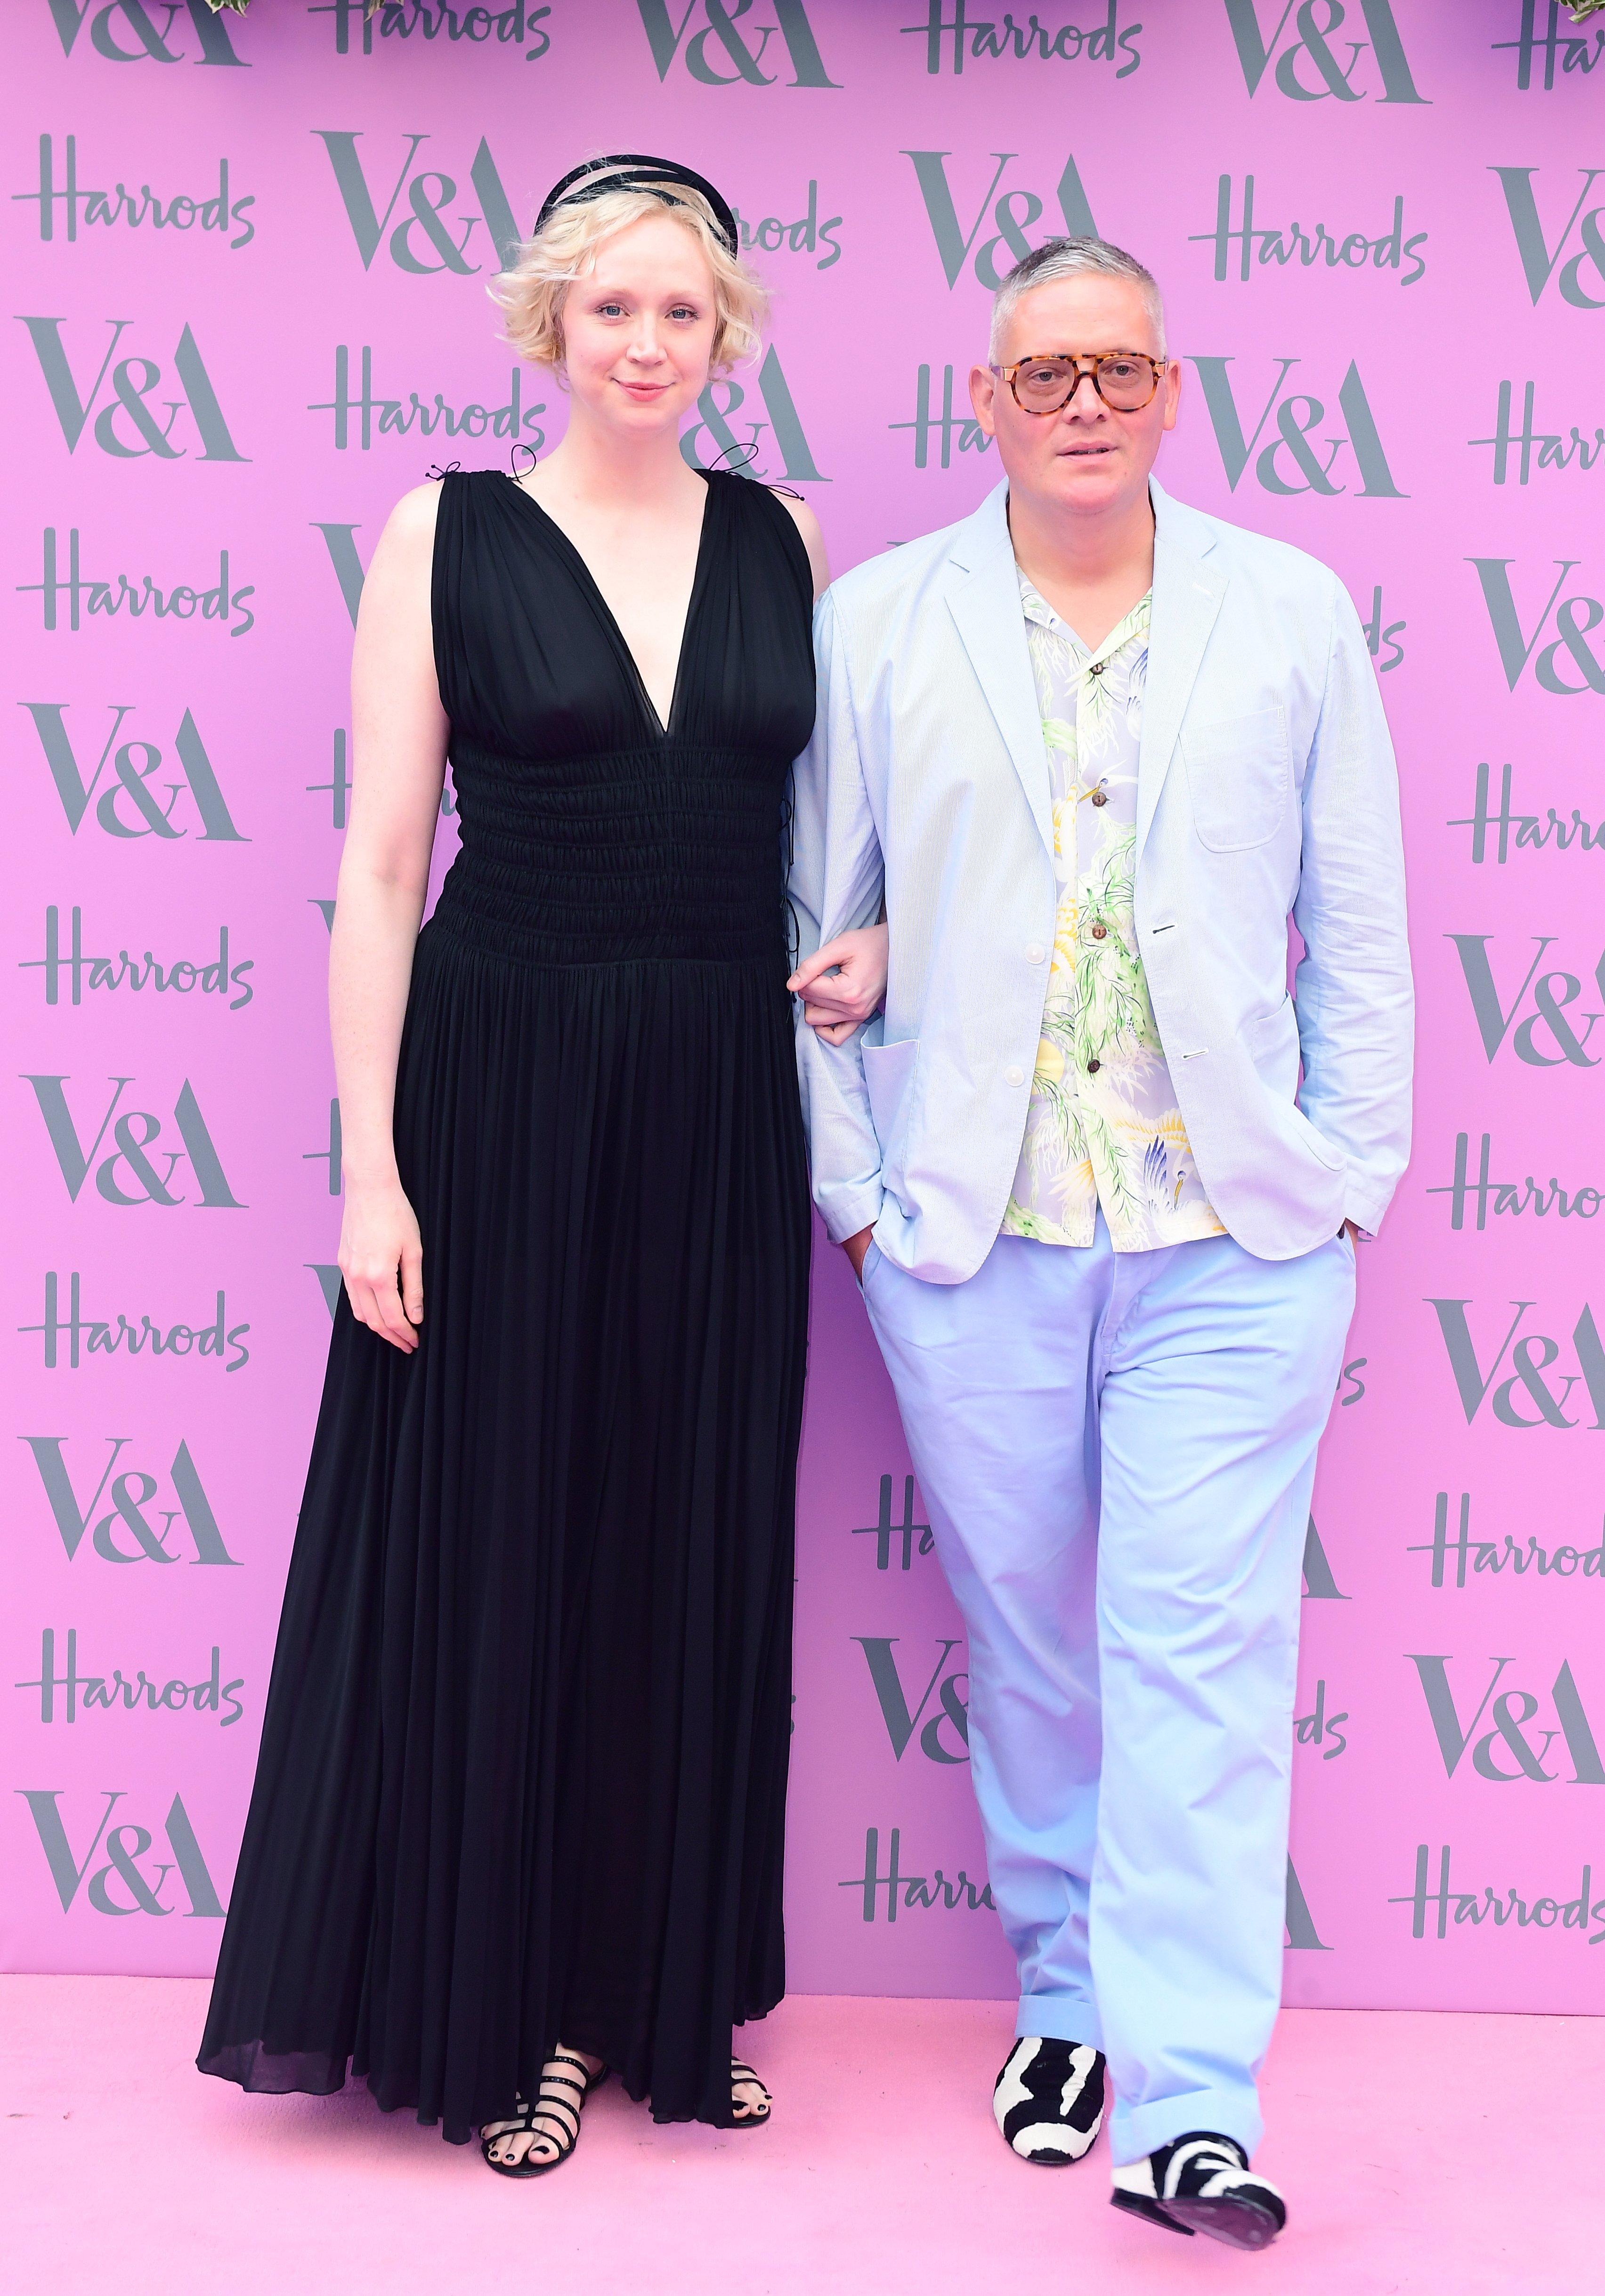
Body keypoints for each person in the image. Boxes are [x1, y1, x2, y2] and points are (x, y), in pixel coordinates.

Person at [199, 155, 886, 2176]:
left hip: (713, 1088)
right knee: (506, 1535)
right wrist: (369, 1176)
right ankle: (504, 2011)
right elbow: (380, 868)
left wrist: (879, 940)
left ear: (728, 331)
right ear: (548, 323)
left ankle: (651, 1998)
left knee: (686, 1531)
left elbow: (838, 832)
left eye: (684, 312)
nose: (650, 346)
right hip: (499, 1084)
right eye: (614, 310)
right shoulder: (446, 532)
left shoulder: (791, 538)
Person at [789, 236, 1411, 2251]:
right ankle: (1065, 1997)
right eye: (1045, 371)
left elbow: (1366, 932)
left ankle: (1193, 2103)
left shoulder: (1291, 612)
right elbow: (810, 925)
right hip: (975, 1237)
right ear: (986, 399)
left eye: (1118, 371)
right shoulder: (883, 622)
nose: (1082, 400)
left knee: (1202, 1659)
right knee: (1042, 1650)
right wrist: (860, 1199)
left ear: (1170, 391)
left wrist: (1349, 1179)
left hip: (1236, 1239)